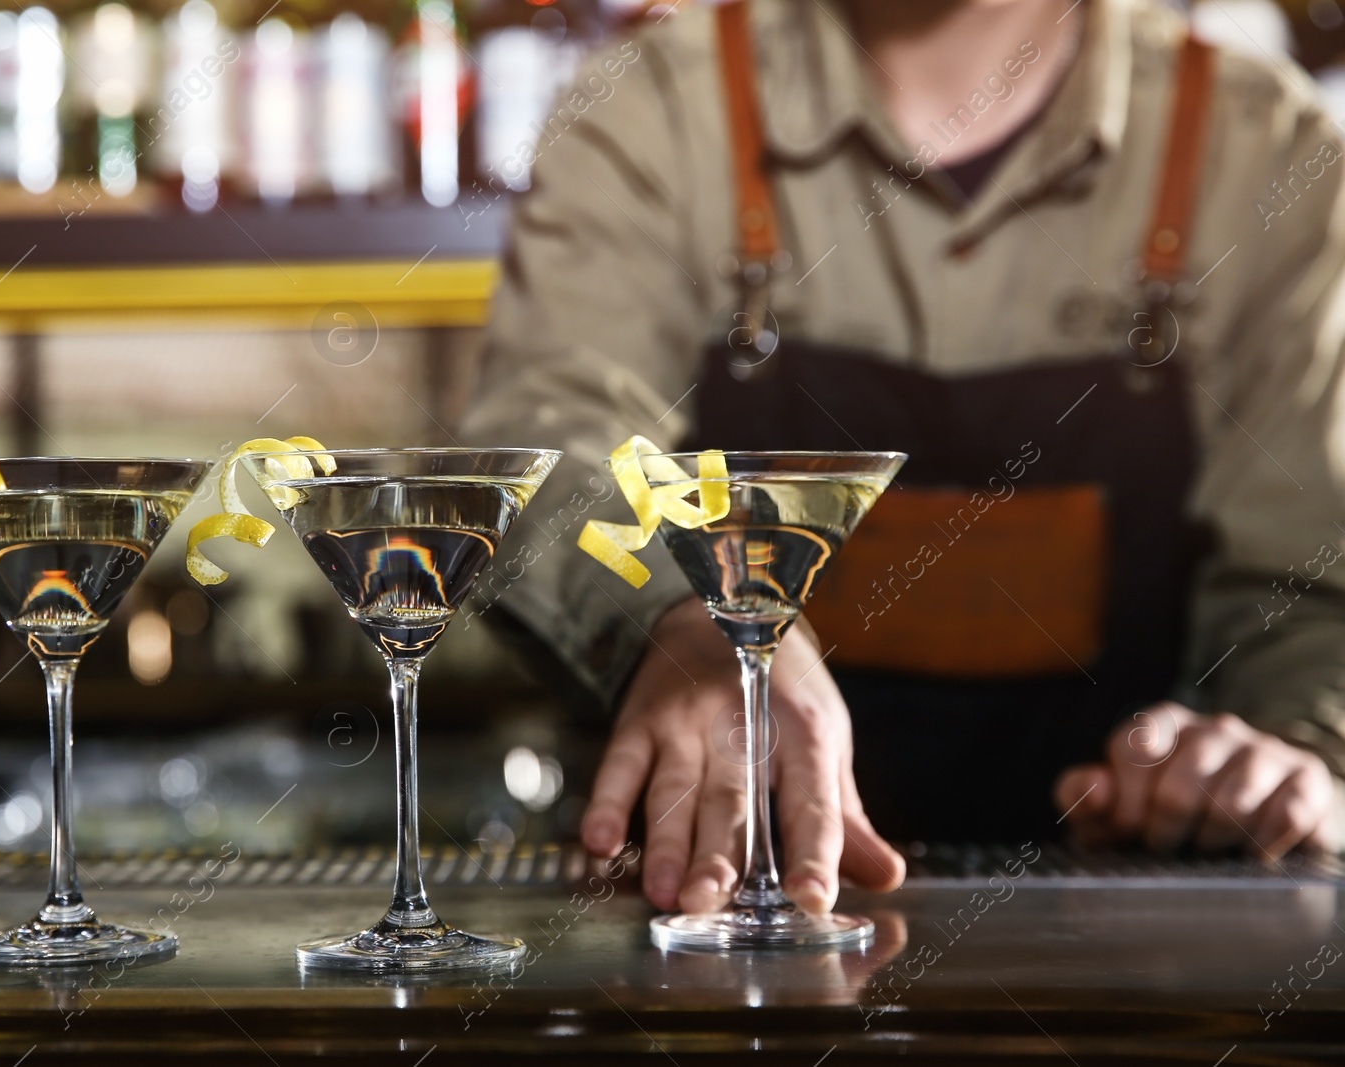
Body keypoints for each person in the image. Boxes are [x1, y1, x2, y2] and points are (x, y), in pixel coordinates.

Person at [460, 0, 1345, 919]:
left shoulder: (1268, 148)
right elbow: (551, 451)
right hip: (713, 925)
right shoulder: (650, 104)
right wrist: (679, 617)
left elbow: (1310, 582)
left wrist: (1294, 752)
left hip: (1146, 940)